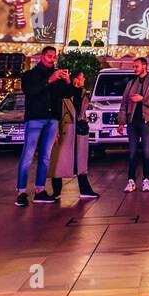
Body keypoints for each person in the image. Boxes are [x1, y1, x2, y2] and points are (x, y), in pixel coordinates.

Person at [16, 46, 67, 207]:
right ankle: (21, 192)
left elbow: (63, 95)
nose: (52, 59)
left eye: (54, 57)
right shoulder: (30, 75)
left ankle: (40, 190)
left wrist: (67, 82)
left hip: (52, 120)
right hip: (35, 119)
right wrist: (49, 80)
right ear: (42, 56)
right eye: (49, 56)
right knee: (28, 155)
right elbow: (30, 91)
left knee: (45, 156)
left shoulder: (56, 75)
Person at [43, 69, 99, 201]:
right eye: (82, 77)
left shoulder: (83, 93)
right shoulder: (63, 92)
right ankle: (56, 191)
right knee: (59, 161)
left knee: (80, 162)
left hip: (79, 131)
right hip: (65, 130)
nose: (84, 80)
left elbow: (81, 112)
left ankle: (84, 189)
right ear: (75, 80)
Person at [115, 57, 149, 193]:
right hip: (132, 122)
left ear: (144, 66)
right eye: (133, 66)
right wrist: (121, 122)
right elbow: (124, 103)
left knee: (146, 152)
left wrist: (143, 99)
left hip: (147, 122)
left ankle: (146, 180)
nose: (134, 69)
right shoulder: (131, 83)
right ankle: (131, 181)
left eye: (136, 66)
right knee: (132, 152)